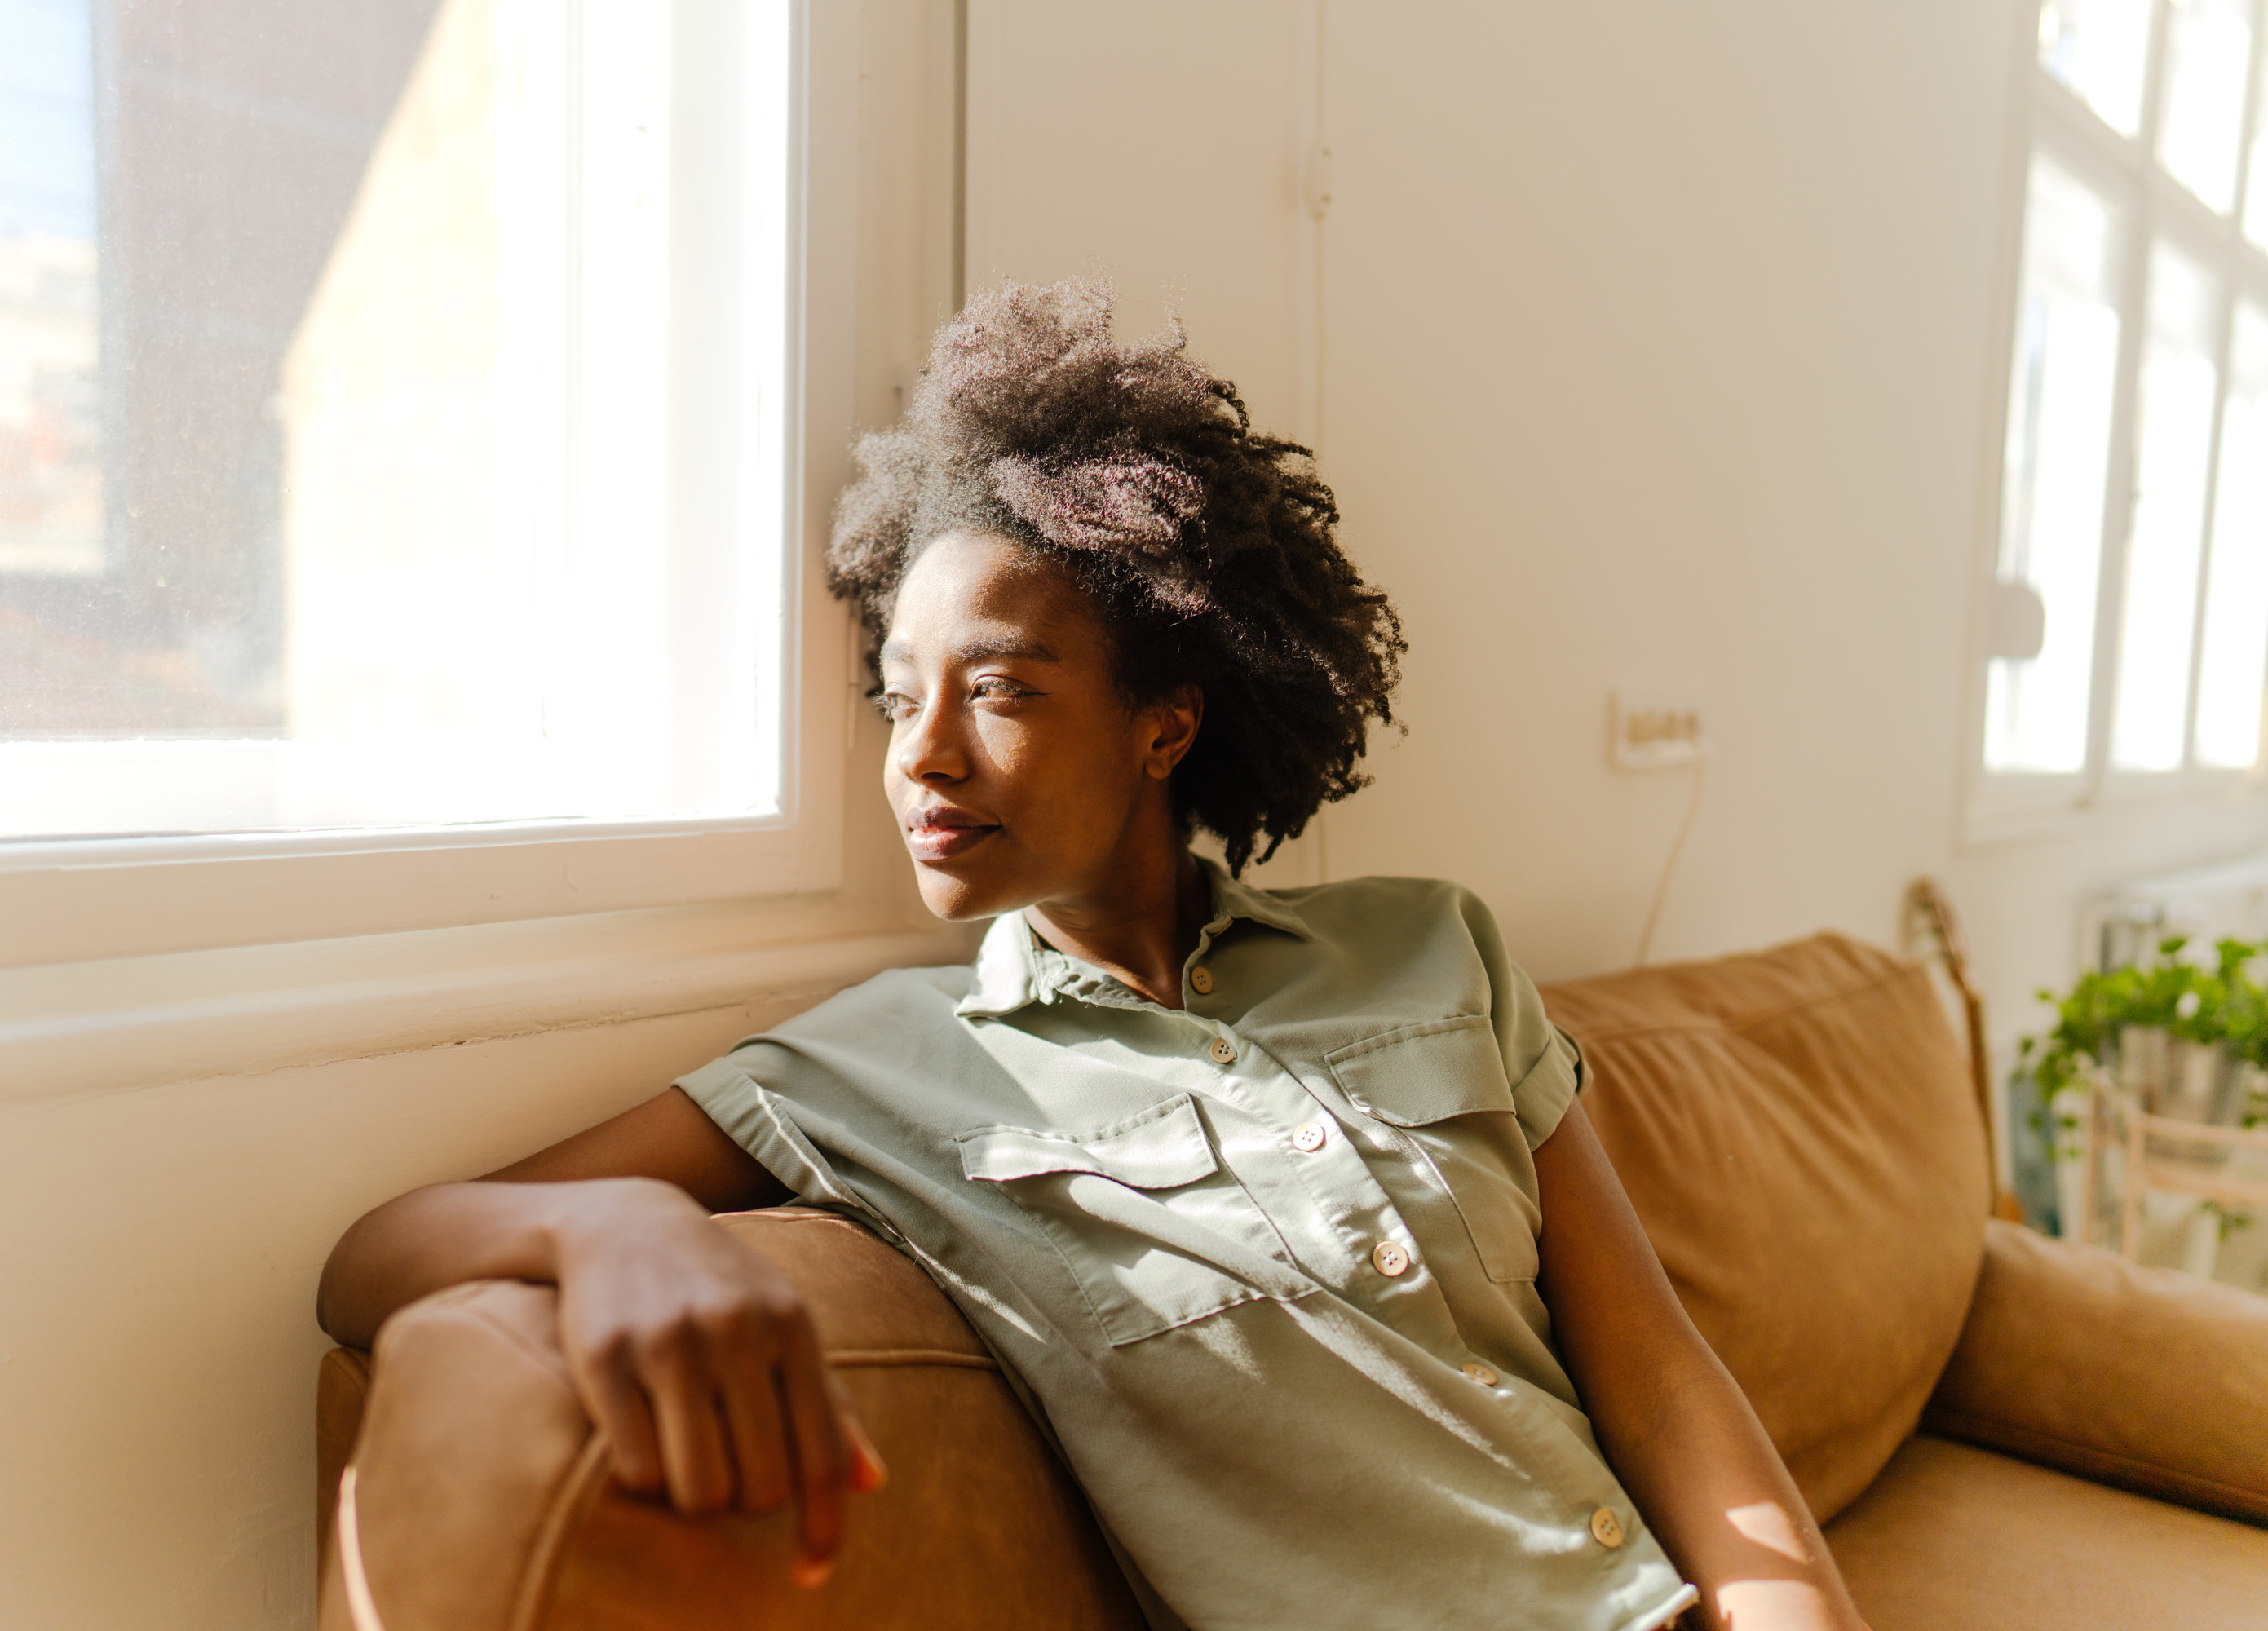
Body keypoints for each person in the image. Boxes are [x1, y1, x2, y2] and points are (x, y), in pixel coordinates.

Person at [319, 280, 1868, 1631]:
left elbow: (1662, 1382)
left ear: (1162, 727)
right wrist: (618, 1235)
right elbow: (370, 1259)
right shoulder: (881, 1066)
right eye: (897, 695)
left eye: (996, 690)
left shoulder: (1432, 946)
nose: (920, 757)